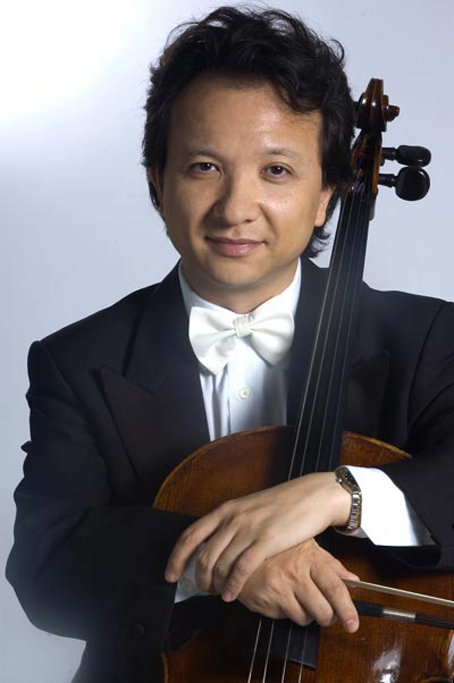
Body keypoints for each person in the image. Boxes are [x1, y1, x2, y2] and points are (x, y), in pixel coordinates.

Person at [6, 6, 454, 683]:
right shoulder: (77, 362)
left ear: (326, 194)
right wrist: (223, 561)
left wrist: (340, 494)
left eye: (276, 170)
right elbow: (45, 566)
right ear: (157, 182)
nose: (236, 208)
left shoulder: (427, 338)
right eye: (204, 166)